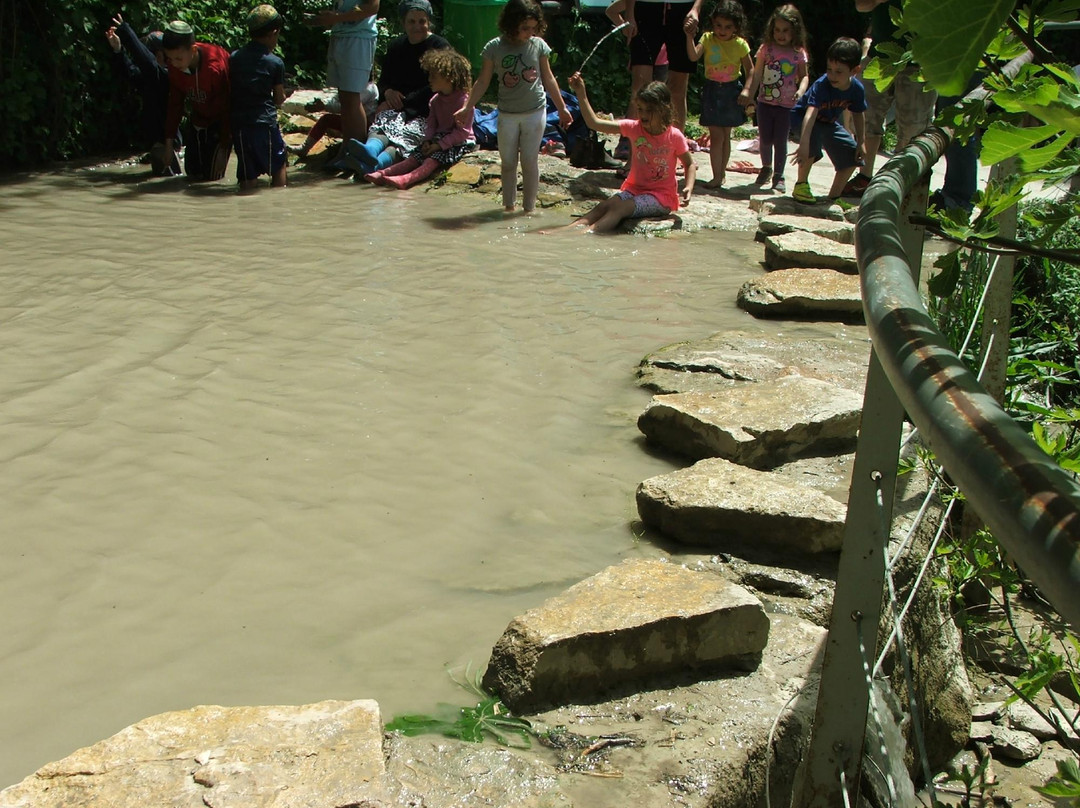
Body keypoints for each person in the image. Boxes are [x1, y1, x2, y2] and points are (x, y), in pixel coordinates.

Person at [454, 0, 572, 214]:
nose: (529, 33)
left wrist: (562, 108)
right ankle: (508, 208)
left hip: (535, 111)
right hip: (507, 113)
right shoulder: (494, 47)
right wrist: (466, 107)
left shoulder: (538, 46)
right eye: (525, 28)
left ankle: (529, 210)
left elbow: (549, 79)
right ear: (511, 23)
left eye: (533, 28)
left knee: (529, 161)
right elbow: (482, 81)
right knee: (508, 162)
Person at [554, 74, 695, 232]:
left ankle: (585, 234)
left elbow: (689, 164)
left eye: (649, 110)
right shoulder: (635, 128)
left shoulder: (674, 136)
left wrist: (688, 187)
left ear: (664, 109)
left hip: (661, 197)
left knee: (619, 209)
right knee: (605, 206)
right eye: (640, 109)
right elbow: (594, 123)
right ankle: (565, 231)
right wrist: (581, 93)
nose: (643, 115)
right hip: (635, 190)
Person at [340, 0, 450, 173]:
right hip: (396, 107)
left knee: (405, 138)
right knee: (383, 123)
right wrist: (388, 93)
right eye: (412, 22)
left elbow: (437, 87)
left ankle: (375, 164)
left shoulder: (439, 46)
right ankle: (369, 151)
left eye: (422, 21)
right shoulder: (396, 47)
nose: (417, 26)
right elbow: (384, 81)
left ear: (429, 22)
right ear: (403, 23)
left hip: (425, 110)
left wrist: (404, 104)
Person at [843, 0, 937, 196]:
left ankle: (901, 184)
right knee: (865, 116)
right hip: (880, 56)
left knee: (914, 130)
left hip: (921, 61)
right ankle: (864, 177)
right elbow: (861, 5)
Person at [364, 48, 475, 188]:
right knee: (413, 157)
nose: (429, 80)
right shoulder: (435, 100)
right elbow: (431, 124)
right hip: (438, 138)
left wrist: (439, 145)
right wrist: (428, 140)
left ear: (449, 77)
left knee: (432, 160)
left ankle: (406, 180)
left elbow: (462, 132)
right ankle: (383, 173)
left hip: (459, 142)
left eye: (434, 76)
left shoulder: (464, 103)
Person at [738, 3, 808, 193]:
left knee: (780, 141)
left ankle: (779, 174)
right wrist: (750, 96)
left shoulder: (798, 53)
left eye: (786, 30)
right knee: (765, 139)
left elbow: (804, 76)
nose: (781, 34)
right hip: (764, 103)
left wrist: (801, 91)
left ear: (794, 31)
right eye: (777, 30)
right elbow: (758, 73)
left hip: (786, 106)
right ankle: (766, 167)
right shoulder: (766, 49)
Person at [684, 0, 753, 189]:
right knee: (716, 136)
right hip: (712, 90)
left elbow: (751, 70)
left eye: (728, 27)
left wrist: (747, 90)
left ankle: (721, 175)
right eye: (718, 25)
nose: (722, 30)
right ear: (713, 23)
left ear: (736, 27)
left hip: (732, 91)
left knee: (726, 134)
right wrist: (689, 36)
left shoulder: (740, 44)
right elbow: (693, 56)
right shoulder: (707, 39)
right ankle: (716, 176)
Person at [789, 36, 865, 205]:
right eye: (829, 69)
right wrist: (803, 143)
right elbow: (810, 114)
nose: (832, 75)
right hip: (802, 118)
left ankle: (834, 196)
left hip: (828, 122)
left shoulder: (857, 89)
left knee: (852, 154)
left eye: (839, 72)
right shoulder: (822, 85)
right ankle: (801, 184)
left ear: (855, 70)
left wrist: (861, 142)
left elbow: (859, 114)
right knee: (811, 143)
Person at [305, 0, 380, 166]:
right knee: (345, 97)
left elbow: (373, 6)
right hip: (341, 35)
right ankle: (346, 151)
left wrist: (337, 18)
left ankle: (357, 157)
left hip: (359, 38)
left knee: (352, 98)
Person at [105, 13, 180, 175]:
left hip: (168, 146)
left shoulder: (166, 76)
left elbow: (147, 62)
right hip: (158, 145)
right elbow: (130, 72)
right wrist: (118, 50)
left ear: (159, 54)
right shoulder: (151, 78)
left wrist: (125, 30)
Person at [161, 20, 232, 181]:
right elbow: (175, 104)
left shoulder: (214, 67)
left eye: (178, 59)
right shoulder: (174, 66)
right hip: (198, 116)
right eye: (170, 59)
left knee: (212, 178)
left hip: (220, 120)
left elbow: (228, 105)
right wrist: (169, 144)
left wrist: (224, 144)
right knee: (192, 174)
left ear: (193, 50)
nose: (173, 63)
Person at [230, 5, 288, 191]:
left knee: (247, 175)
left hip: (239, 125)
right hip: (264, 123)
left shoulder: (234, 58)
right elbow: (279, 99)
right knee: (278, 165)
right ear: (274, 32)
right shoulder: (275, 63)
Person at [623, 0, 704, 132]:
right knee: (640, 86)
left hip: (683, 8)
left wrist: (696, 8)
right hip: (646, 7)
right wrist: (629, 13)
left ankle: (676, 146)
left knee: (678, 88)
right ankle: (632, 143)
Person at [605, 0, 669, 160]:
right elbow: (611, 11)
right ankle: (627, 142)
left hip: (664, 60)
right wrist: (627, 27)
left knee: (658, 102)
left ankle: (656, 146)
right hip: (644, 53)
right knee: (639, 97)